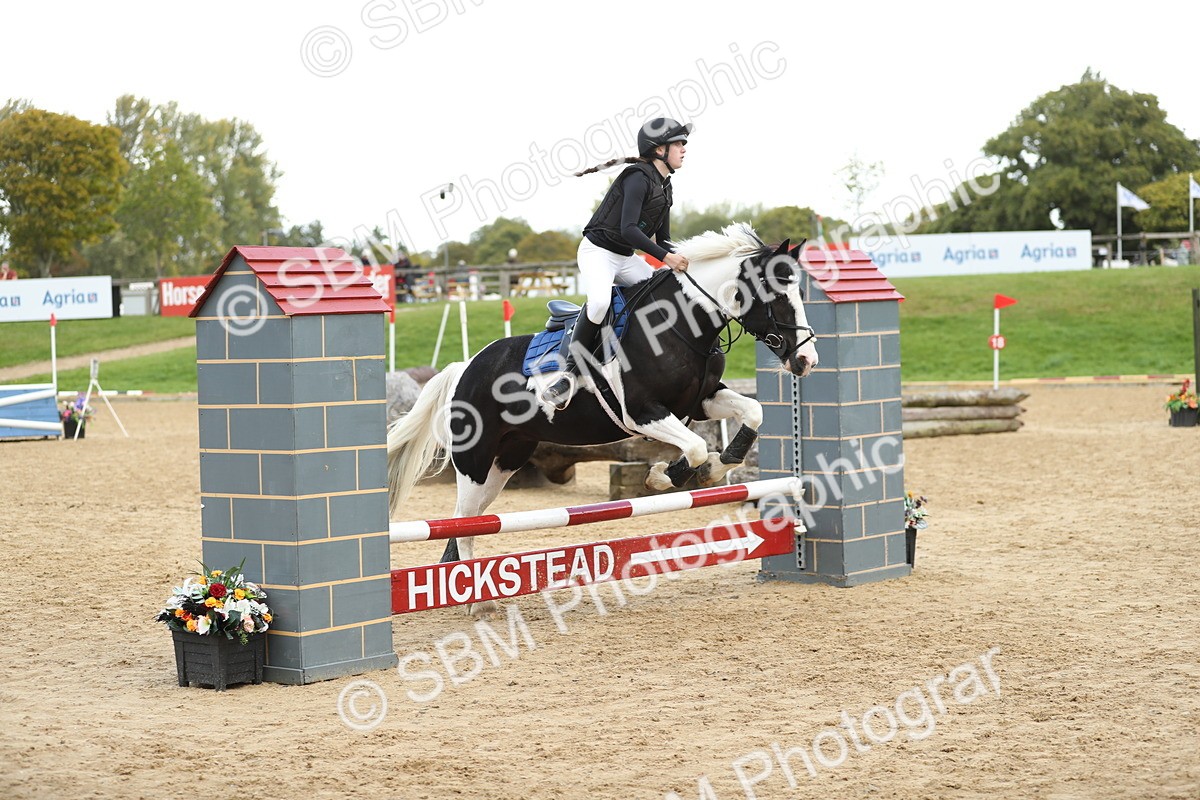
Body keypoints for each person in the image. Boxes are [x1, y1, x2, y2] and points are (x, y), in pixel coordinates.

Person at [540, 116, 692, 410]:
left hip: (624, 258)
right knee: (598, 304)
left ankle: (646, 367)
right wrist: (666, 258)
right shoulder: (637, 177)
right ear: (659, 149)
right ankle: (568, 375)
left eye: (684, 143)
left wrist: (689, 259)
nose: (684, 149)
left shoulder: (665, 186)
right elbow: (629, 230)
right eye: (678, 143)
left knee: (662, 295)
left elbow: (664, 241)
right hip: (597, 252)